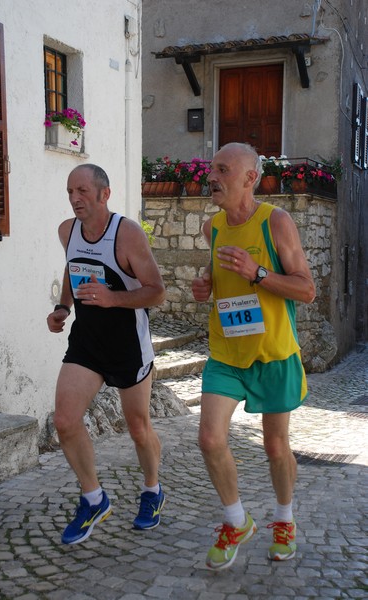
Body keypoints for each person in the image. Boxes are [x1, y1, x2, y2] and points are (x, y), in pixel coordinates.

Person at [192, 142, 316, 570]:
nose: (212, 177)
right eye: (211, 169)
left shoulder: (276, 222)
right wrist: (204, 285)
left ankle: (284, 519)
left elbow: (306, 289)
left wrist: (258, 273)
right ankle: (236, 520)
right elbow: (213, 275)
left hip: (274, 354)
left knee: (276, 447)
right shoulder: (212, 228)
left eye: (222, 170)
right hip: (226, 353)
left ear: (250, 178)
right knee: (209, 438)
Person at [47, 164, 166, 545]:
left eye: (82, 190)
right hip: (87, 341)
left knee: (138, 427)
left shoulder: (126, 234)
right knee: (65, 420)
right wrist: (63, 308)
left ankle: (152, 491)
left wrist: (113, 298)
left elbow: (157, 291)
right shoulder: (68, 231)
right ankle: (93, 498)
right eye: (70, 191)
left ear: (104, 194)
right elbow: (72, 269)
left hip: (128, 342)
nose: (74, 198)